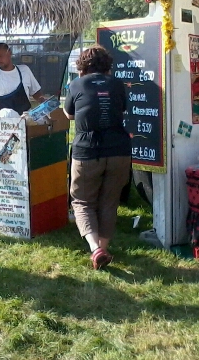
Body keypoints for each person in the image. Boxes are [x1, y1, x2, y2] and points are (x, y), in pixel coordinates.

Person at [63, 45, 132, 270]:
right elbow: (122, 110)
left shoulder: (75, 84)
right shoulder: (117, 84)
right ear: (107, 65)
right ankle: (104, 248)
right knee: (109, 201)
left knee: (82, 201)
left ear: (82, 66)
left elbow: (70, 114)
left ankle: (96, 249)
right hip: (118, 149)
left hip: (87, 151)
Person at [0, 42, 45, 114]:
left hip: (24, 120)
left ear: (9, 53)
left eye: (0, 56)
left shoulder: (24, 71)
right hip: (3, 123)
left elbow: (35, 92)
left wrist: (43, 101)